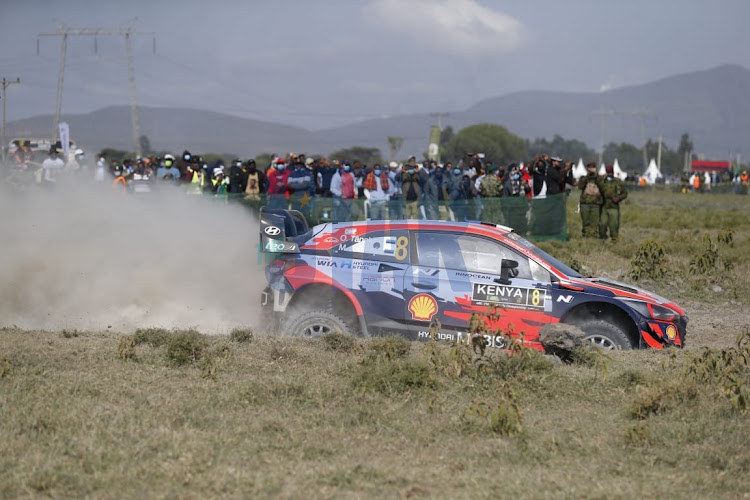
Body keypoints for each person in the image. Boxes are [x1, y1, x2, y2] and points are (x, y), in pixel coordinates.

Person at [599, 165, 628, 241]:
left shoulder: (618, 181)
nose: (609, 174)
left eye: (611, 172)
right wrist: (602, 179)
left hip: (613, 206)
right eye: (608, 172)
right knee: (602, 224)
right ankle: (602, 239)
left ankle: (614, 240)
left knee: (614, 225)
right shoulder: (602, 181)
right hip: (603, 206)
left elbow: (625, 193)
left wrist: (618, 198)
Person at [577, 162, 604, 238]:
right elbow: (580, 186)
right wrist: (587, 176)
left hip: (596, 203)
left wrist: (597, 176)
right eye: (590, 168)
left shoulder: (600, 178)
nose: (591, 169)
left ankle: (593, 236)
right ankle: (586, 235)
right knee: (586, 221)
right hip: (585, 203)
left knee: (595, 222)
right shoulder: (583, 178)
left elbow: (603, 187)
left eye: (593, 167)